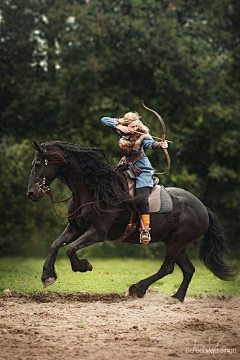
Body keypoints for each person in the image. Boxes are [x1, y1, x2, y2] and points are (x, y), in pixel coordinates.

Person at [101, 111, 168, 243]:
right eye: (133, 127)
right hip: (125, 167)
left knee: (142, 198)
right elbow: (104, 119)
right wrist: (119, 126)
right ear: (126, 125)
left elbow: (151, 143)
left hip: (142, 169)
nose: (136, 129)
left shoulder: (142, 135)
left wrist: (160, 145)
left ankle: (145, 230)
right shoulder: (121, 130)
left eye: (137, 126)